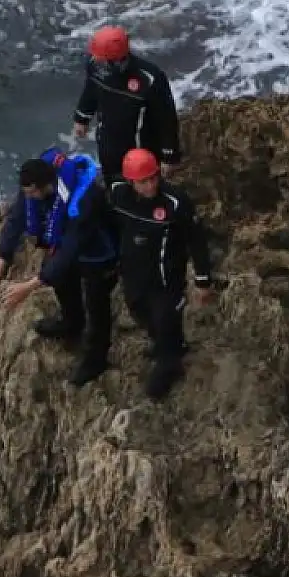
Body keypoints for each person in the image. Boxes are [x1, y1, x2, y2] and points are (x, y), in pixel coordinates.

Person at [0, 148, 118, 386]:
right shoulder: (37, 186)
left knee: (97, 305)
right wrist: (0, 264)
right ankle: (71, 322)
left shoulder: (83, 201)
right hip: (67, 244)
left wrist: (29, 286)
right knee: (63, 283)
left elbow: (70, 249)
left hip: (98, 251)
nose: (28, 198)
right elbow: (16, 218)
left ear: (45, 187)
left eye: (31, 193)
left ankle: (96, 359)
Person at [107, 148, 215, 399]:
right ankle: (166, 344)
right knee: (140, 312)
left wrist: (203, 280)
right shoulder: (117, 195)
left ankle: (170, 363)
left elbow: (196, 240)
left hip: (166, 277)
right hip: (133, 273)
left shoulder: (175, 202)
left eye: (154, 178)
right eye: (143, 181)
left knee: (166, 317)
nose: (150, 185)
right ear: (131, 182)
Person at [72, 24, 181, 180]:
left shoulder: (150, 79)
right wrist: (81, 118)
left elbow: (166, 119)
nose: (96, 62)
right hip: (107, 142)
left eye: (102, 60)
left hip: (139, 148)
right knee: (112, 182)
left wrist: (169, 156)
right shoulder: (94, 65)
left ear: (117, 61)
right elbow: (90, 90)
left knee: (140, 190)